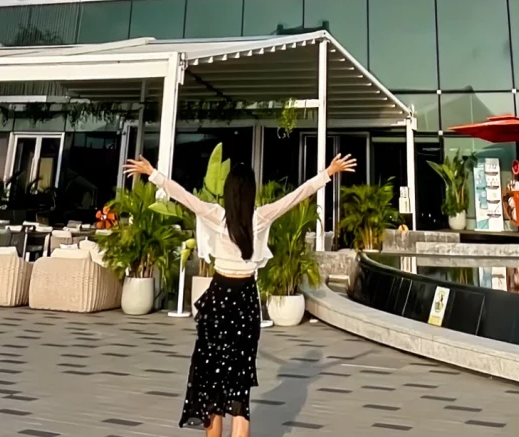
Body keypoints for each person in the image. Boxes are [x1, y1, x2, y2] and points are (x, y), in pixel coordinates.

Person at [124, 150, 356, 435]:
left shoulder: (217, 215)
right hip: (245, 299)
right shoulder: (260, 217)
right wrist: (328, 173)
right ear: (251, 192)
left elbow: (182, 195)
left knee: (212, 382)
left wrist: (153, 173)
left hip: (219, 296)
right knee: (239, 387)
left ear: (228, 191)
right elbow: (297, 196)